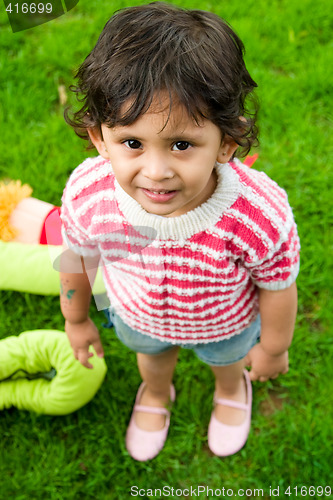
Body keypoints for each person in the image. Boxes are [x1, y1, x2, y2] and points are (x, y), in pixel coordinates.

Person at [60, 2, 300, 461]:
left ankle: (231, 393)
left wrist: (272, 347)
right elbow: (76, 258)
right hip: (138, 316)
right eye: (132, 143)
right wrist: (76, 318)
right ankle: (154, 394)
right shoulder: (89, 195)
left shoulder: (257, 212)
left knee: (227, 362)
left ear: (227, 142)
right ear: (99, 138)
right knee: (151, 358)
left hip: (226, 324)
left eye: (182, 145)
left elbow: (278, 283)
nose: (156, 171)